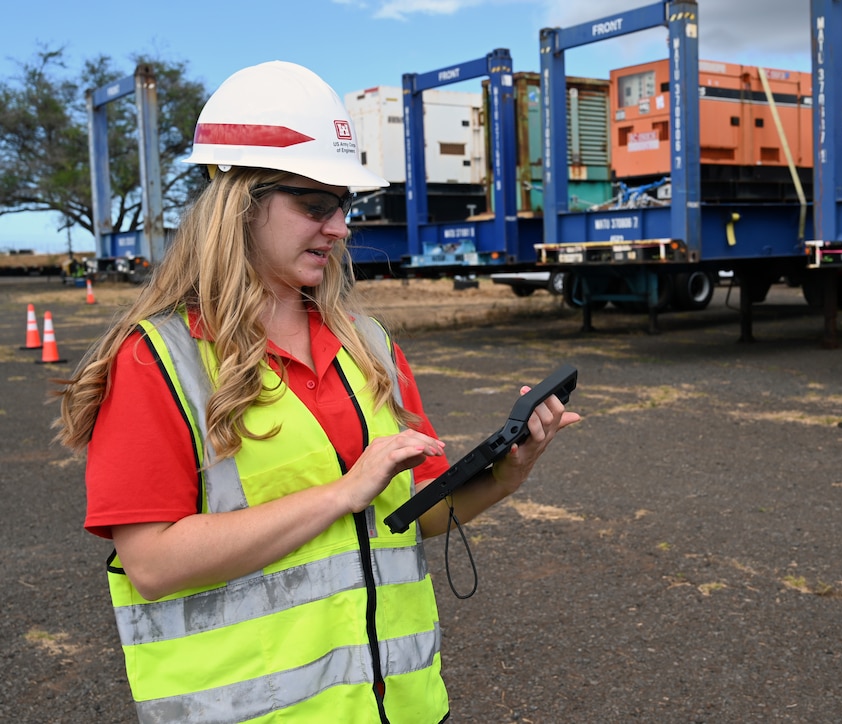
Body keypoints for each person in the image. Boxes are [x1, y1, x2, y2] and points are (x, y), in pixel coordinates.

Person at [53, 60, 580, 723]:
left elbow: (418, 520)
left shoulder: (369, 344)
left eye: (344, 204)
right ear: (237, 204)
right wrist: (340, 492)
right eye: (315, 204)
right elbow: (153, 562)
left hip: (403, 709)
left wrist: (506, 475)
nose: (340, 227)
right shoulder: (160, 359)